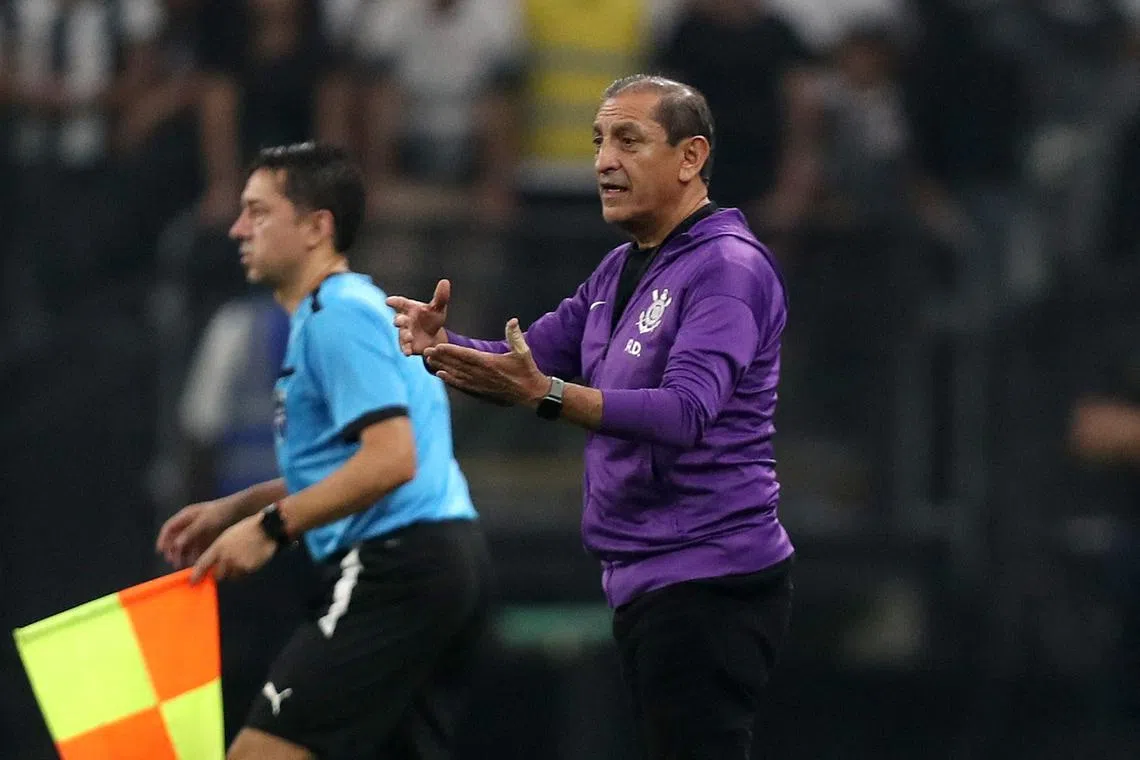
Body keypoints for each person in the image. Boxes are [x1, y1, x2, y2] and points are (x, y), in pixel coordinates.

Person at [388, 75, 794, 760]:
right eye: (599, 140)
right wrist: (443, 347)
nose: (604, 160)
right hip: (649, 577)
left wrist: (546, 396)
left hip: (710, 575)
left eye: (629, 140)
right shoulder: (618, 269)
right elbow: (529, 357)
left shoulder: (728, 268)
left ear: (691, 157)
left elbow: (684, 411)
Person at [156, 143, 490, 760]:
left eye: (257, 212)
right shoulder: (344, 311)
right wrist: (236, 506)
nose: (237, 228)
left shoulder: (340, 315)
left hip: (396, 563)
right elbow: (353, 466)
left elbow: (391, 461)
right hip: (439, 562)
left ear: (317, 227)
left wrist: (268, 528)